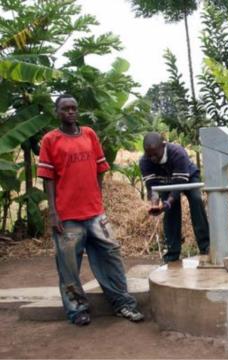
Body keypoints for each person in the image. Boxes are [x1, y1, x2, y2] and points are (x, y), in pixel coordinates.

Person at [38, 94, 144, 326]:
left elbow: (100, 168)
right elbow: (48, 178)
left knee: (111, 256)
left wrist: (96, 195)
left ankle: (123, 304)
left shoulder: (89, 134)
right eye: (65, 108)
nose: (70, 112)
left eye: (74, 108)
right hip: (67, 217)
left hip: (95, 213)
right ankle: (77, 310)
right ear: (57, 112)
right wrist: (53, 212)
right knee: (68, 268)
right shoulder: (50, 140)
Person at [140, 132, 210, 263]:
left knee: (196, 199)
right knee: (171, 211)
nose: (153, 158)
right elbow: (152, 187)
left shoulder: (177, 153)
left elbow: (179, 185)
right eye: (149, 155)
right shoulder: (145, 161)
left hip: (188, 177)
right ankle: (173, 253)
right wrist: (155, 204)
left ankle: (205, 245)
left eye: (155, 154)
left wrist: (166, 203)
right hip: (167, 181)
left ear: (164, 146)